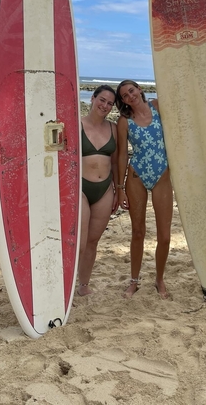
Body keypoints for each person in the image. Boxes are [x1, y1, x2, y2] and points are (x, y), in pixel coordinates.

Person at [116, 73, 206, 299]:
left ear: (139, 89)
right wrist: (120, 187)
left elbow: (189, 99)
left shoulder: (158, 106)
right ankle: (134, 281)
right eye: (124, 96)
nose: (129, 96)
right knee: (138, 232)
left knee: (165, 236)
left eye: (131, 91)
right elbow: (122, 155)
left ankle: (159, 278)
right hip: (136, 176)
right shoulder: (124, 121)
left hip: (162, 175)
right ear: (123, 101)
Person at [78, 85, 119, 296]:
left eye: (110, 103)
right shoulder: (77, 124)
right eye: (102, 100)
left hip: (105, 189)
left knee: (93, 241)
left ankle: (83, 286)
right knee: (80, 242)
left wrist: (119, 190)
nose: (105, 105)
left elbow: (118, 161)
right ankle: (65, 285)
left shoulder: (113, 128)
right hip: (81, 189)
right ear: (92, 98)